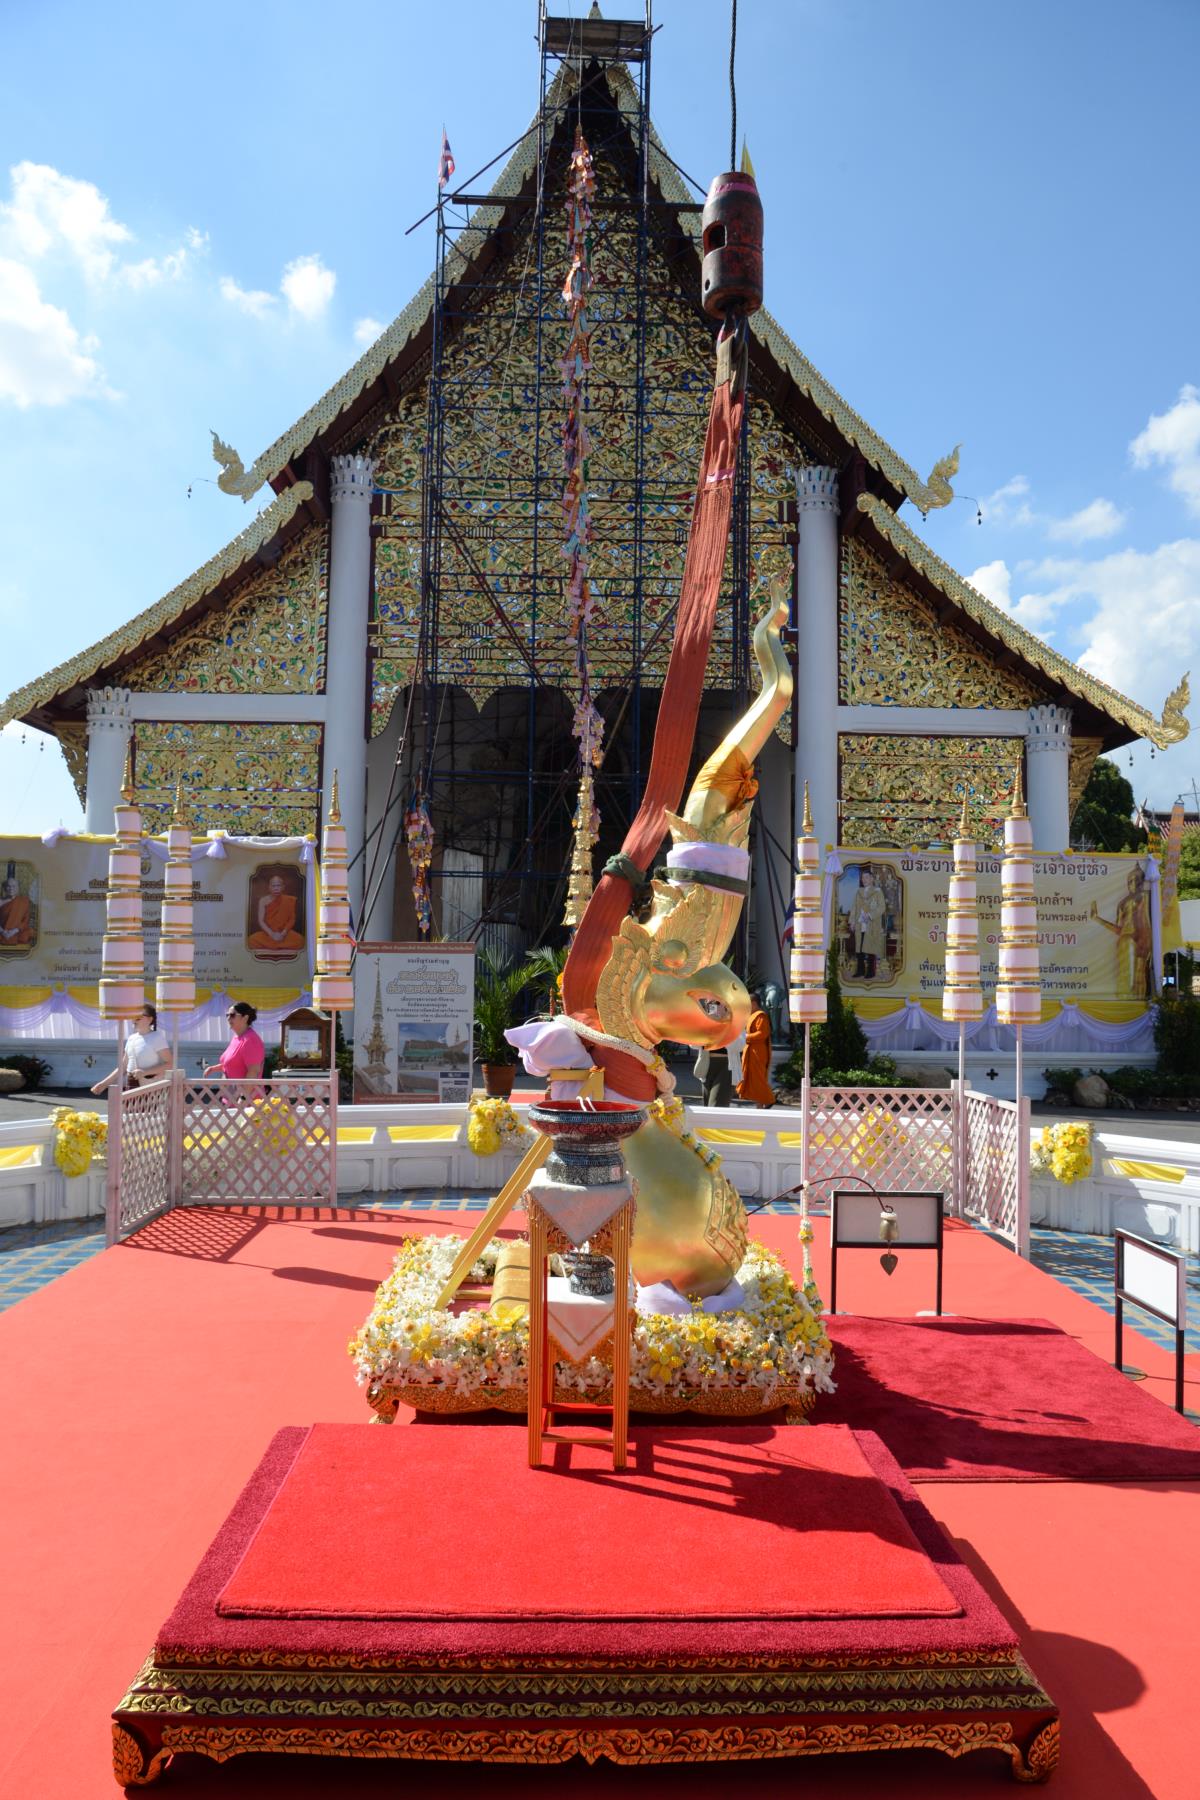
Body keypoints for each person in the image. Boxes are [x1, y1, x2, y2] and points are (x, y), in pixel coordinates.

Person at [1091, 869, 1154, 999]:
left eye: (1137, 880)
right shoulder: (1122, 903)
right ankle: (1126, 1003)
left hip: (1142, 939)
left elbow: (1148, 920)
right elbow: (1119, 930)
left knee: (1141, 976)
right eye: (1130, 881)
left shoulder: (1146, 896)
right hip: (1126, 940)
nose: (1133, 883)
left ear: (1142, 882)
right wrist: (1097, 918)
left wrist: (1150, 943)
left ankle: (1138, 1005)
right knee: (1126, 976)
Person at [91, 1003, 173, 1093]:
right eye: (133, 1016)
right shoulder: (131, 1038)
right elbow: (123, 1066)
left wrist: (145, 1072)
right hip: (131, 1085)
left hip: (150, 1086)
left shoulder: (157, 1037)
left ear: (150, 1019)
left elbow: (170, 1064)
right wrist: (103, 1084)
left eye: (138, 1017)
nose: (134, 1020)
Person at [204, 1001, 265, 1080]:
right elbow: (232, 1065)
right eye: (227, 1015)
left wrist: (243, 1089)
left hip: (243, 1088)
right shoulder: (236, 1038)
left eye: (232, 1015)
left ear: (245, 1018)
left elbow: (253, 1072)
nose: (228, 1018)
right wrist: (213, 1069)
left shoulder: (251, 1040)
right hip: (231, 1087)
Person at [247, 873, 305, 955]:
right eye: (273, 886)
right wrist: (272, 934)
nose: (276, 888)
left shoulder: (289, 900)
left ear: (283, 887)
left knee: (300, 940)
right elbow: (261, 920)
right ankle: (281, 948)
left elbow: (292, 919)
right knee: (251, 940)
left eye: (278, 886)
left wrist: (283, 933)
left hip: (284, 934)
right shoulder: (263, 900)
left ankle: (273, 948)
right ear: (269, 887)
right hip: (268, 933)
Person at [736, 992, 775, 1107]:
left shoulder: (760, 1016)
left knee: (758, 1079)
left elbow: (762, 1033)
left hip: (757, 1052)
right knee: (753, 1079)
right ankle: (760, 1104)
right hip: (750, 1051)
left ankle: (768, 1099)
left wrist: (746, 1037)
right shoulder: (751, 1016)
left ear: (753, 1003)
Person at [851, 864, 887, 979]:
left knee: (871, 948)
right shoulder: (859, 892)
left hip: (871, 924)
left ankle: (871, 972)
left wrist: (870, 915)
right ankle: (860, 970)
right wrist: (852, 921)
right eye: (863, 878)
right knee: (859, 948)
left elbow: (882, 907)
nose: (864, 880)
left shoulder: (877, 892)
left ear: (872, 879)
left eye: (866, 877)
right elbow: (854, 907)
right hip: (860, 923)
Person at [0, 868, 33, 947]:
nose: (11, 888)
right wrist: (3, 932)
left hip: (17, 932)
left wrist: (14, 931)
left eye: (14, 886)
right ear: (5, 888)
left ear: (18, 888)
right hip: (1, 931)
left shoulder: (24, 901)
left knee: (28, 933)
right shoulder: (0, 901)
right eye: (8, 886)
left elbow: (25, 920)